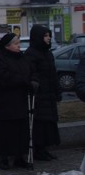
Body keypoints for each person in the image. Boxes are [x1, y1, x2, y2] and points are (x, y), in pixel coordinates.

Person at [0, 33, 33, 170]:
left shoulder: (22, 58)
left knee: (20, 130)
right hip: (4, 102)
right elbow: (3, 78)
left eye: (19, 43)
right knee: (5, 131)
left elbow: (30, 72)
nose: (18, 46)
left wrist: (33, 81)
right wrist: (23, 80)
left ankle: (19, 156)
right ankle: (4, 158)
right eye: (15, 43)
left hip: (20, 100)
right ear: (7, 46)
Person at [23, 25, 60, 161]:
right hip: (38, 95)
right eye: (45, 36)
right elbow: (31, 73)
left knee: (48, 123)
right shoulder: (31, 53)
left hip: (48, 94)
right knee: (39, 124)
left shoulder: (48, 53)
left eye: (48, 35)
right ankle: (38, 149)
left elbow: (53, 74)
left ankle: (44, 148)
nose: (48, 38)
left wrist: (57, 91)